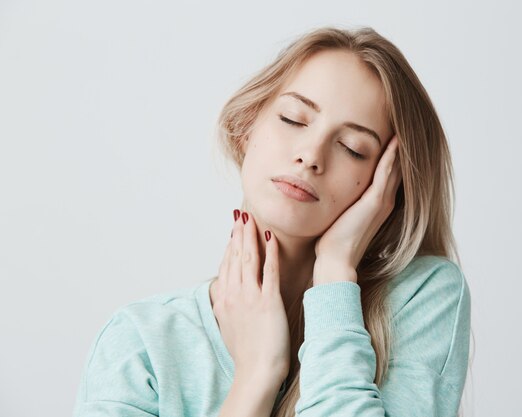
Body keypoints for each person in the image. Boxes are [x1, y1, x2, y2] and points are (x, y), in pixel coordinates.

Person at [72, 25, 472, 417]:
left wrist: (334, 276)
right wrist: (256, 377)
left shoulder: (421, 297)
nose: (311, 155)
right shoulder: (141, 342)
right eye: (294, 119)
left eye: (352, 148)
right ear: (247, 127)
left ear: (389, 186)